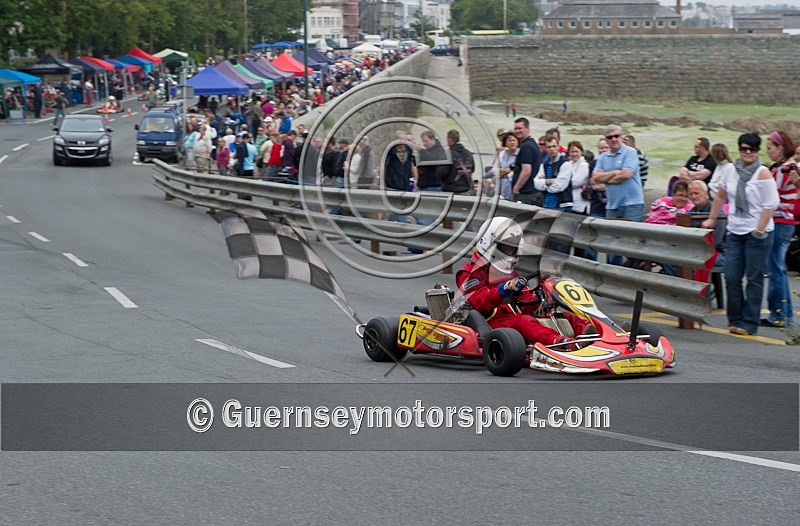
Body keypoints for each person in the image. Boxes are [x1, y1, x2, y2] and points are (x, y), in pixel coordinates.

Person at [456, 217, 588, 348]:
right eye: (507, 249)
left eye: (513, 250)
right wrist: (503, 289)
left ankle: (593, 337)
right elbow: (480, 302)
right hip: (490, 323)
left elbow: (524, 301)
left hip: (512, 319)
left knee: (564, 316)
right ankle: (561, 343)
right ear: (488, 243)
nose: (511, 253)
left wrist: (540, 299)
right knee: (524, 321)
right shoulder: (469, 273)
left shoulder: (507, 273)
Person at [702, 133, 779, 336]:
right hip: (735, 230)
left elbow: (770, 204)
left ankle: (749, 322)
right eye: (744, 149)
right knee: (732, 276)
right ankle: (735, 319)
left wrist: (759, 228)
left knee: (754, 278)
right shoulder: (730, 170)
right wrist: (711, 218)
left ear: (757, 151)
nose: (748, 153)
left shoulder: (762, 173)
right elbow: (720, 195)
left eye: (752, 150)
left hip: (757, 233)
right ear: (739, 149)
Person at [762, 131, 798, 328]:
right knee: (779, 268)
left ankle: (778, 313)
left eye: (770, 148)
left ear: (780, 148)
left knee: (775, 268)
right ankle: (785, 312)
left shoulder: (780, 171)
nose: (768, 152)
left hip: (780, 223)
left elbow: (770, 198)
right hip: (788, 223)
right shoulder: (790, 168)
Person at [534, 135, 572, 211]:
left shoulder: (565, 164)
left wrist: (544, 183)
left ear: (558, 147)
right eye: (549, 147)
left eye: (554, 146)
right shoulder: (545, 164)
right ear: (545, 148)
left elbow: (559, 187)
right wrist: (549, 181)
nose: (552, 149)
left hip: (562, 205)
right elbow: (536, 183)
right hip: (546, 203)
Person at [511, 117, 543, 205]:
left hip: (526, 193)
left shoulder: (526, 147)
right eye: (515, 129)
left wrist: (516, 188)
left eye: (520, 128)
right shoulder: (533, 144)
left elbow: (526, 170)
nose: (517, 131)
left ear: (527, 128)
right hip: (534, 192)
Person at [486, 132, 518, 201]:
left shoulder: (520, 154)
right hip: (501, 186)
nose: (512, 143)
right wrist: (507, 171)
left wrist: (502, 172)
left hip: (513, 187)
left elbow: (517, 171)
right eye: (509, 141)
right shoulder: (503, 153)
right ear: (505, 143)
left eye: (514, 140)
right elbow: (495, 170)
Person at [443, 130, 473, 195]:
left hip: (451, 189)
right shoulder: (468, 153)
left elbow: (442, 172)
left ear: (449, 140)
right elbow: (472, 169)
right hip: (466, 188)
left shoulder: (448, 154)